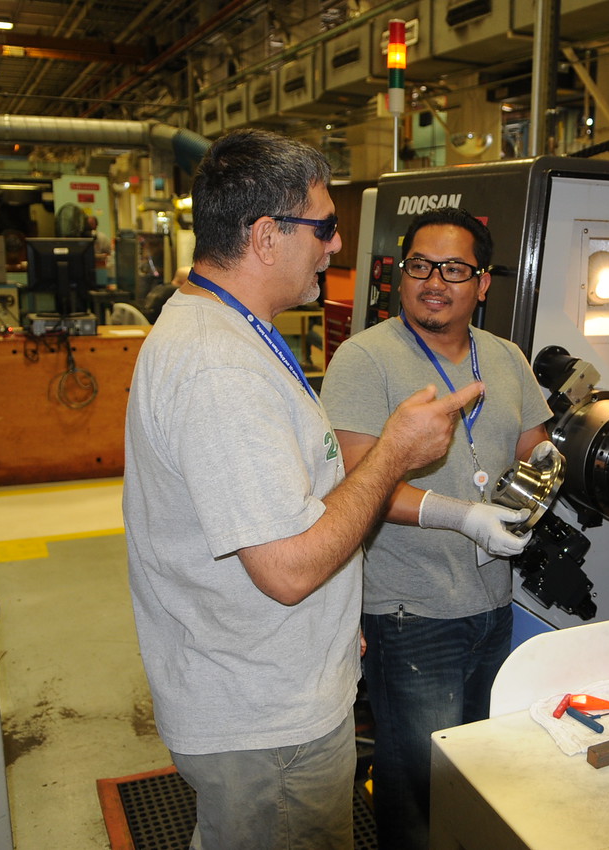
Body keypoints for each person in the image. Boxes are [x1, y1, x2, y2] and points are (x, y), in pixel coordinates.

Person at [123, 130, 482, 850]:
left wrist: (332, 612)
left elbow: (281, 510)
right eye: (322, 228)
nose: (335, 246)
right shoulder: (217, 368)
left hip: (266, 686)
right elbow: (286, 570)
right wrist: (392, 455)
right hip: (263, 722)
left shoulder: (230, 333)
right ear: (265, 236)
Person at [321, 207, 555, 850]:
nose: (435, 281)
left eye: (454, 269)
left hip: (491, 605)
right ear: (400, 277)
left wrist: (542, 480)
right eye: (420, 266)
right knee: (419, 782)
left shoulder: (506, 358)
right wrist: (466, 515)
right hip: (410, 611)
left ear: (482, 284)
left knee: (476, 770)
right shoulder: (365, 359)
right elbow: (357, 485)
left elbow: (536, 448)